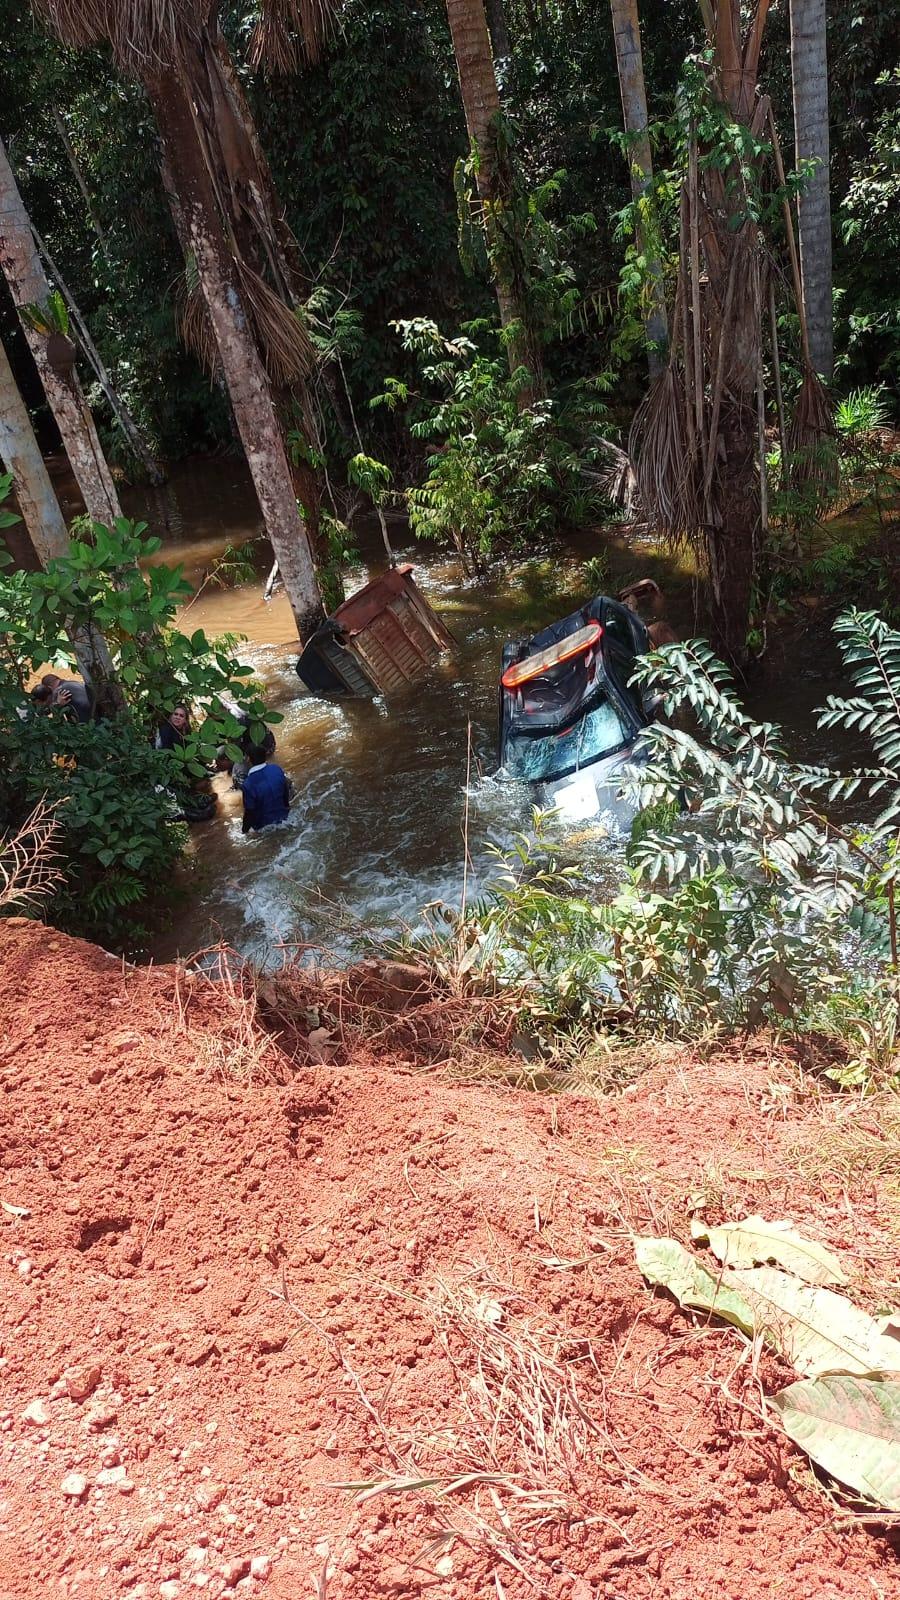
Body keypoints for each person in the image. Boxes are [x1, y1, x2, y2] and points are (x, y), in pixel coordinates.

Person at [241, 744, 292, 834]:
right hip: (285, 818)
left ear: (248, 759)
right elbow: (285, 792)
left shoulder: (248, 784)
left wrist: (244, 831)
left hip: (264, 826)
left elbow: (249, 812)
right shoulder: (276, 769)